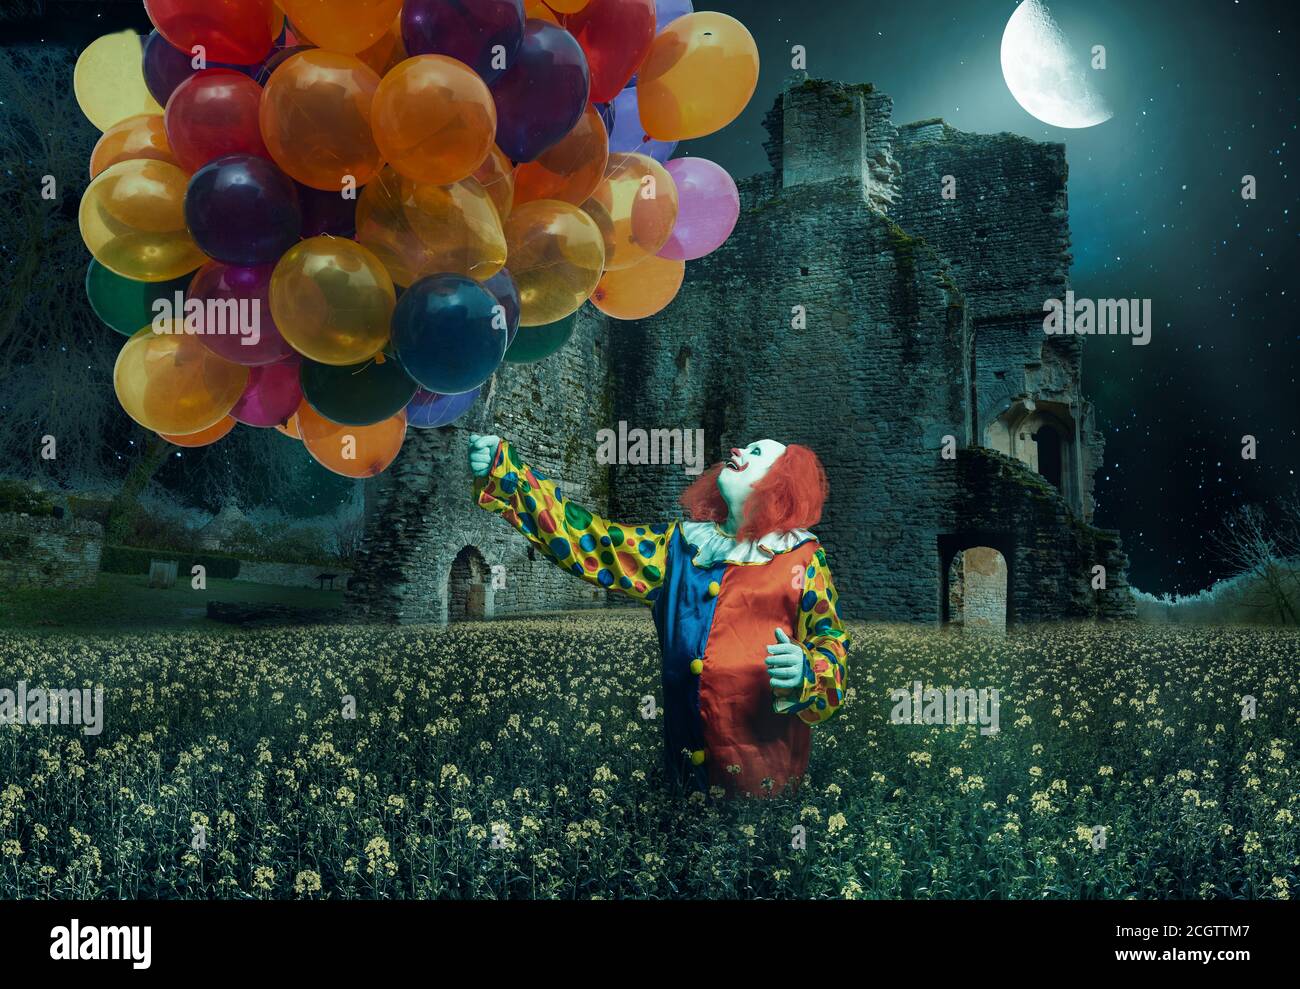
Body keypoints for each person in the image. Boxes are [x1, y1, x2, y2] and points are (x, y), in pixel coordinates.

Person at [467, 433, 849, 797]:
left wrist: (808, 673)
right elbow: (593, 543)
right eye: (745, 446)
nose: (738, 451)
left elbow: (831, 643)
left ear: (781, 483)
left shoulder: (802, 559)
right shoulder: (678, 546)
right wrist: (510, 477)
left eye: (758, 453)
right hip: (683, 779)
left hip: (766, 782)